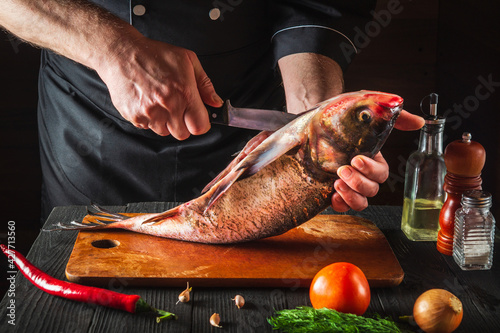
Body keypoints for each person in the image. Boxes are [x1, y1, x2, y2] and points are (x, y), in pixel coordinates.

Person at [0, 0, 424, 221]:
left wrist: (317, 119)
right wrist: (114, 50)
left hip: (251, 130)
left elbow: (315, 5)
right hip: (92, 123)